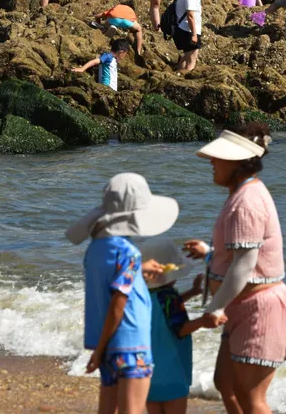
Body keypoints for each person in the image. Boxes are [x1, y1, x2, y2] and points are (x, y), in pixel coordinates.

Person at [183, 123, 286, 414]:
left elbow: (245, 265)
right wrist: (210, 255)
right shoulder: (242, 194)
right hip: (243, 306)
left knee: (251, 396)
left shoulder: (246, 202)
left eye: (217, 158)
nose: (211, 162)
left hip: (259, 309)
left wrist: (215, 308)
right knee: (227, 384)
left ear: (237, 163)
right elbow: (243, 256)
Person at [65, 173, 181, 414]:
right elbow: (118, 304)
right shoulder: (129, 253)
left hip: (108, 346)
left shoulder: (95, 249)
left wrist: (100, 349)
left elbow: (107, 286)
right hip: (132, 344)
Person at [138, 238, 207, 414]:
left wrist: (191, 293)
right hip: (173, 373)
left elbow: (163, 311)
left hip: (148, 372)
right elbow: (181, 328)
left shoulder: (142, 296)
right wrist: (203, 321)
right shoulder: (170, 297)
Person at [173, 0, 210, 73]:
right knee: (192, 60)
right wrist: (194, 34)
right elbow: (190, 15)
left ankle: (178, 75)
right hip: (188, 31)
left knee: (186, 56)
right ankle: (185, 81)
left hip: (183, 29)